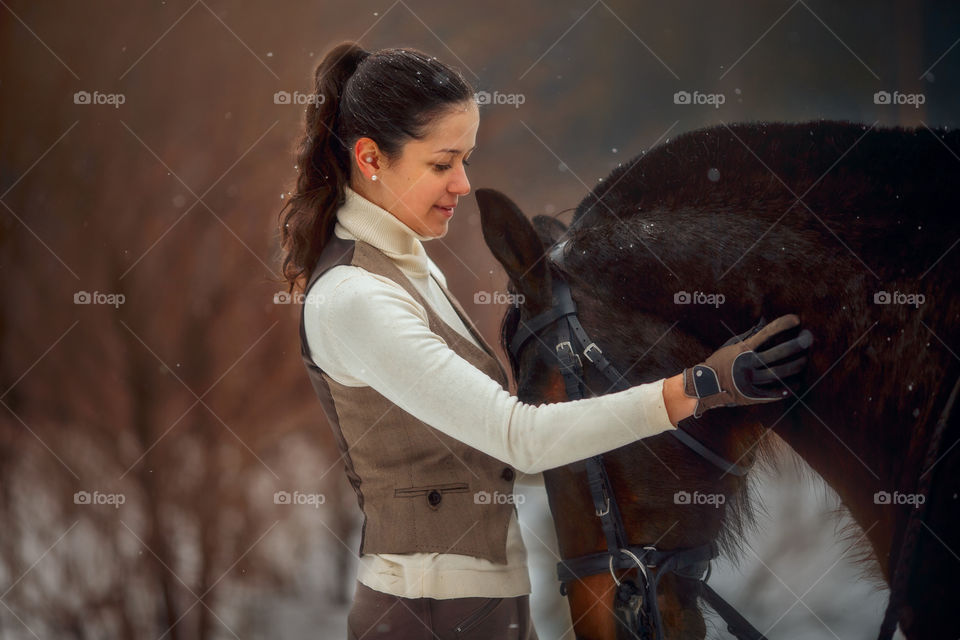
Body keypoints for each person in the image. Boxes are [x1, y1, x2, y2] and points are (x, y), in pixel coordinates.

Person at [277, 42, 811, 640]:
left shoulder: (413, 270)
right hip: (426, 617)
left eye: (466, 160)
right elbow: (519, 437)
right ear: (371, 158)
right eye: (441, 164)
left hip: (485, 612)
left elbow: (494, 451)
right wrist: (697, 388)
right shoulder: (356, 297)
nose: (462, 183)